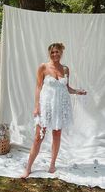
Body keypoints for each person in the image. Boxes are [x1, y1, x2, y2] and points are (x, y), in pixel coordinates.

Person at [21, 42, 87, 178]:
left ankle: (52, 165)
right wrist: (36, 106)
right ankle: (28, 168)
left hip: (60, 106)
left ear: (61, 53)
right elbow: (38, 87)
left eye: (57, 52)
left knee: (57, 135)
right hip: (46, 106)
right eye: (52, 52)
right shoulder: (43, 67)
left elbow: (66, 87)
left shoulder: (66, 69)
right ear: (49, 53)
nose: (55, 54)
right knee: (38, 137)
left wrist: (77, 92)